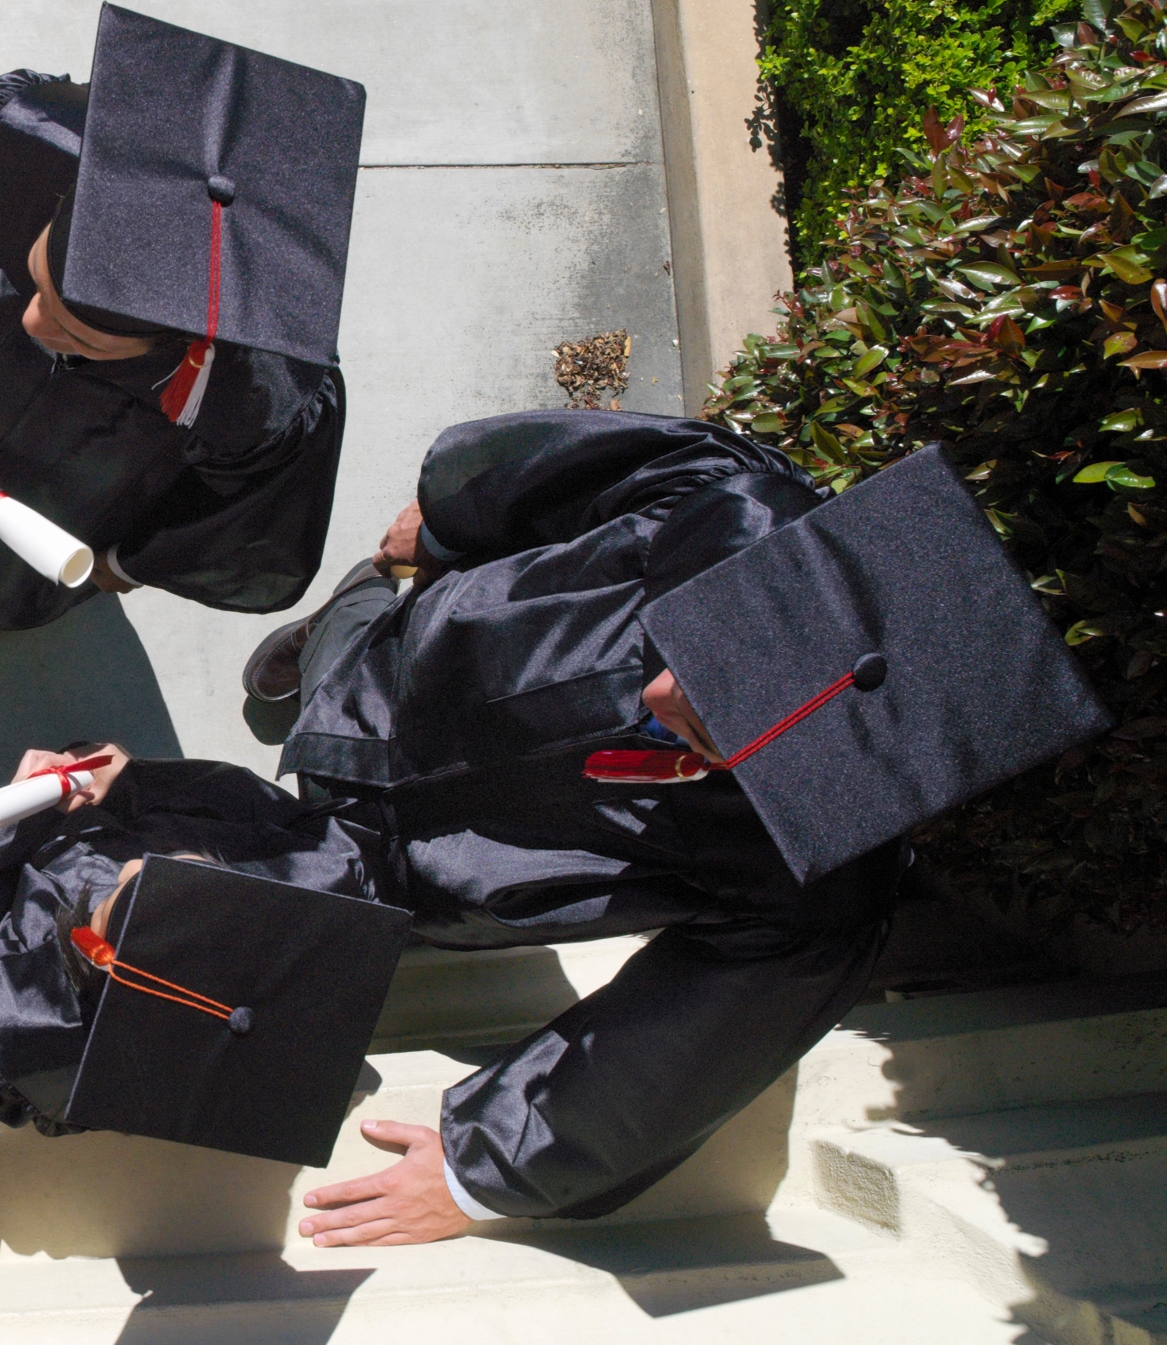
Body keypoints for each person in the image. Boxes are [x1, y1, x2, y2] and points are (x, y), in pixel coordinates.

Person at [238, 409, 1111, 1244]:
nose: (662, 697)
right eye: (696, 661)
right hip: (424, 655)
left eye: (710, 728)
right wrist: (446, 527)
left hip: (425, 866)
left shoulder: (817, 894)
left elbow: (668, 1056)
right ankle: (338, 622)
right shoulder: (726, 498)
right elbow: (543, 472)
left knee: (234, 875)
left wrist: (477, 1171)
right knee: (355, 634)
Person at [0, 4, 364, 629]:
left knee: (9, 580)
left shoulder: (265, 395)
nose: (32, 323)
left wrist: (127, 563)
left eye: (77, 334)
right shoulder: (23, 136)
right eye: (37, 279)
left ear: (188, 346)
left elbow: (243, 531)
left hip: (88, 472)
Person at [0, 743, 406, 1166]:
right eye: (190, 868)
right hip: (107, 808)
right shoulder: (323, 883)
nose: (132, 865)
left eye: (115, 906)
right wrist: (135, 782)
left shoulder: (21, 1026)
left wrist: (14, 829)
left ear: (94, 952)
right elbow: (249, 803)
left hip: (24, 867)